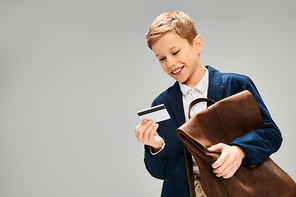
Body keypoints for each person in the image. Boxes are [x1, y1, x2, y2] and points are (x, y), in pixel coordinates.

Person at [134, 11, 282, 197]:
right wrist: (156, 147)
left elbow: (271, 134)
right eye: (161, 59)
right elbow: (159, 173)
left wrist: (239, 150)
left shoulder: (237, 85)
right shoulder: (161, 104)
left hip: (234, 190)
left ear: (197, 44)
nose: (170, 63)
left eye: (175, 52)